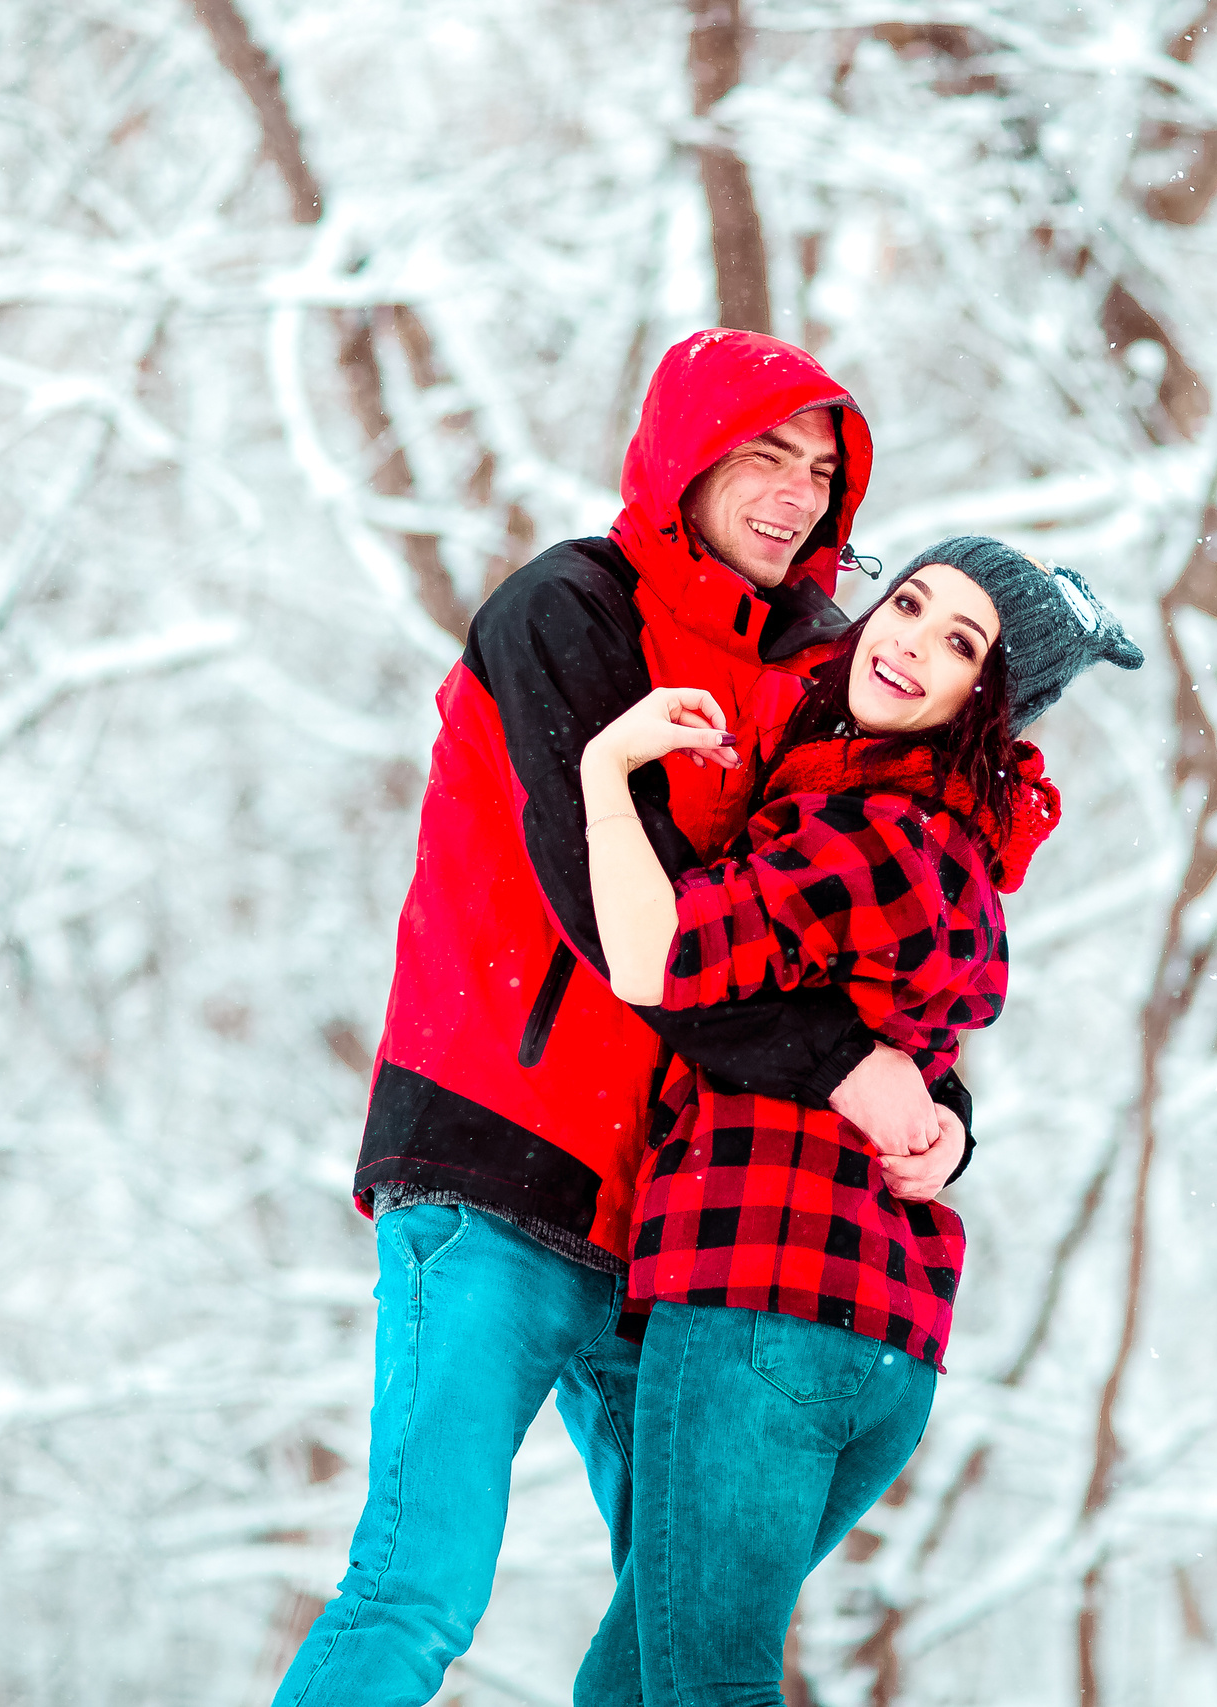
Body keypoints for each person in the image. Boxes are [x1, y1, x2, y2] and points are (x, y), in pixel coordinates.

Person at [274, 332, 971, 1707]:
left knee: (690, 1622)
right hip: (491, 1166)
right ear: (687, 456)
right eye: (765, 454)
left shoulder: (821, 664)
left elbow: (860, 926)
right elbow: (635, 928)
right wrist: (851, 1070)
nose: (795, 493)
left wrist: (938, 1108)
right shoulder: (569, 612)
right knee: (420, 1583)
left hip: (674, 1229)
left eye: (823, 471)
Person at [568, 536, 1144, 1705]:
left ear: (985, 699)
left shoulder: (879, 831)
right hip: (864, 1330)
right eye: (911, 603)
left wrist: (602, 772)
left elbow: (659, 951)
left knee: (694, 1692)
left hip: (762, 1298)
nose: (909, 641)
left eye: (959, 644)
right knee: (630, 1692)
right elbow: (918, 1056)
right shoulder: (936, 837)